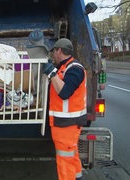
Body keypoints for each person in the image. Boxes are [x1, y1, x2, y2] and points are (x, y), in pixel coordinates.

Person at [43, 38, 87, 180]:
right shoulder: (64, 67)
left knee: (65, 162)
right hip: (65, 123)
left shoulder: (75, 68)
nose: (53, 56)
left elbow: (64, 93)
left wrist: (51, 73)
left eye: (54, 52)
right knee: (71, 156)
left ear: (59, 51)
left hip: (67, 124)